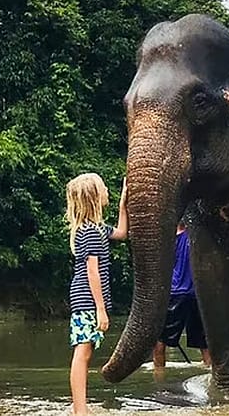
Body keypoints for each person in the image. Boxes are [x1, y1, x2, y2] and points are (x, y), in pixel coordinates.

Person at [65, 173, 128, 416]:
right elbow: (93, 273)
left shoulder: (98, 228)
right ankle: (80, 410)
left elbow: (122, 233)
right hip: (87, 298)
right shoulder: (90, 232)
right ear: (93, 196)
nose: (107, 192)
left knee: (86, 351)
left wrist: (124, 203)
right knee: (83, 353)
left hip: (87, 298)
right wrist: (100, 309)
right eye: (103, 188)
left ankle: (80, 406)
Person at [153, 221, 211, 371]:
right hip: (196, 294)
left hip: (177, 294)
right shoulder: (194, 235)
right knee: (205, 342)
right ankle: (210, 372)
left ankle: (159, 376)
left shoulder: (167, 239)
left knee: (160, 339)